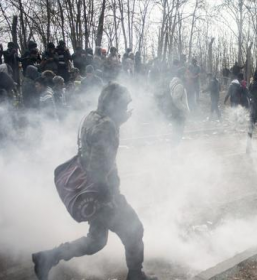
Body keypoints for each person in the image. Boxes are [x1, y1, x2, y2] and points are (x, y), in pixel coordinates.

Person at [32, 83, 157, 280]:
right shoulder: (107, 126)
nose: (125, 109)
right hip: (105, 194)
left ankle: (48, 258)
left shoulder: (92, 117)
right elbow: (98, 168)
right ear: (113, 105)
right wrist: (108, 199)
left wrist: (118, 122)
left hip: (93, 192)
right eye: (123, 105)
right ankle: (136, 275)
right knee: (135, 231)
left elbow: (95, 150)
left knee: (96, 241)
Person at [169, 67, 190, 146]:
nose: (187, 76)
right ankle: (173, 153)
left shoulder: (175, 83)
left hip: (176, 112)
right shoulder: (179, 86)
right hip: (179, 113)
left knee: (176, 133)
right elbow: (176, 100)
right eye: (186, 74)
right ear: (181, 75)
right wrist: (185, 109)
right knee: (178, 133)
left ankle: (173, 151)